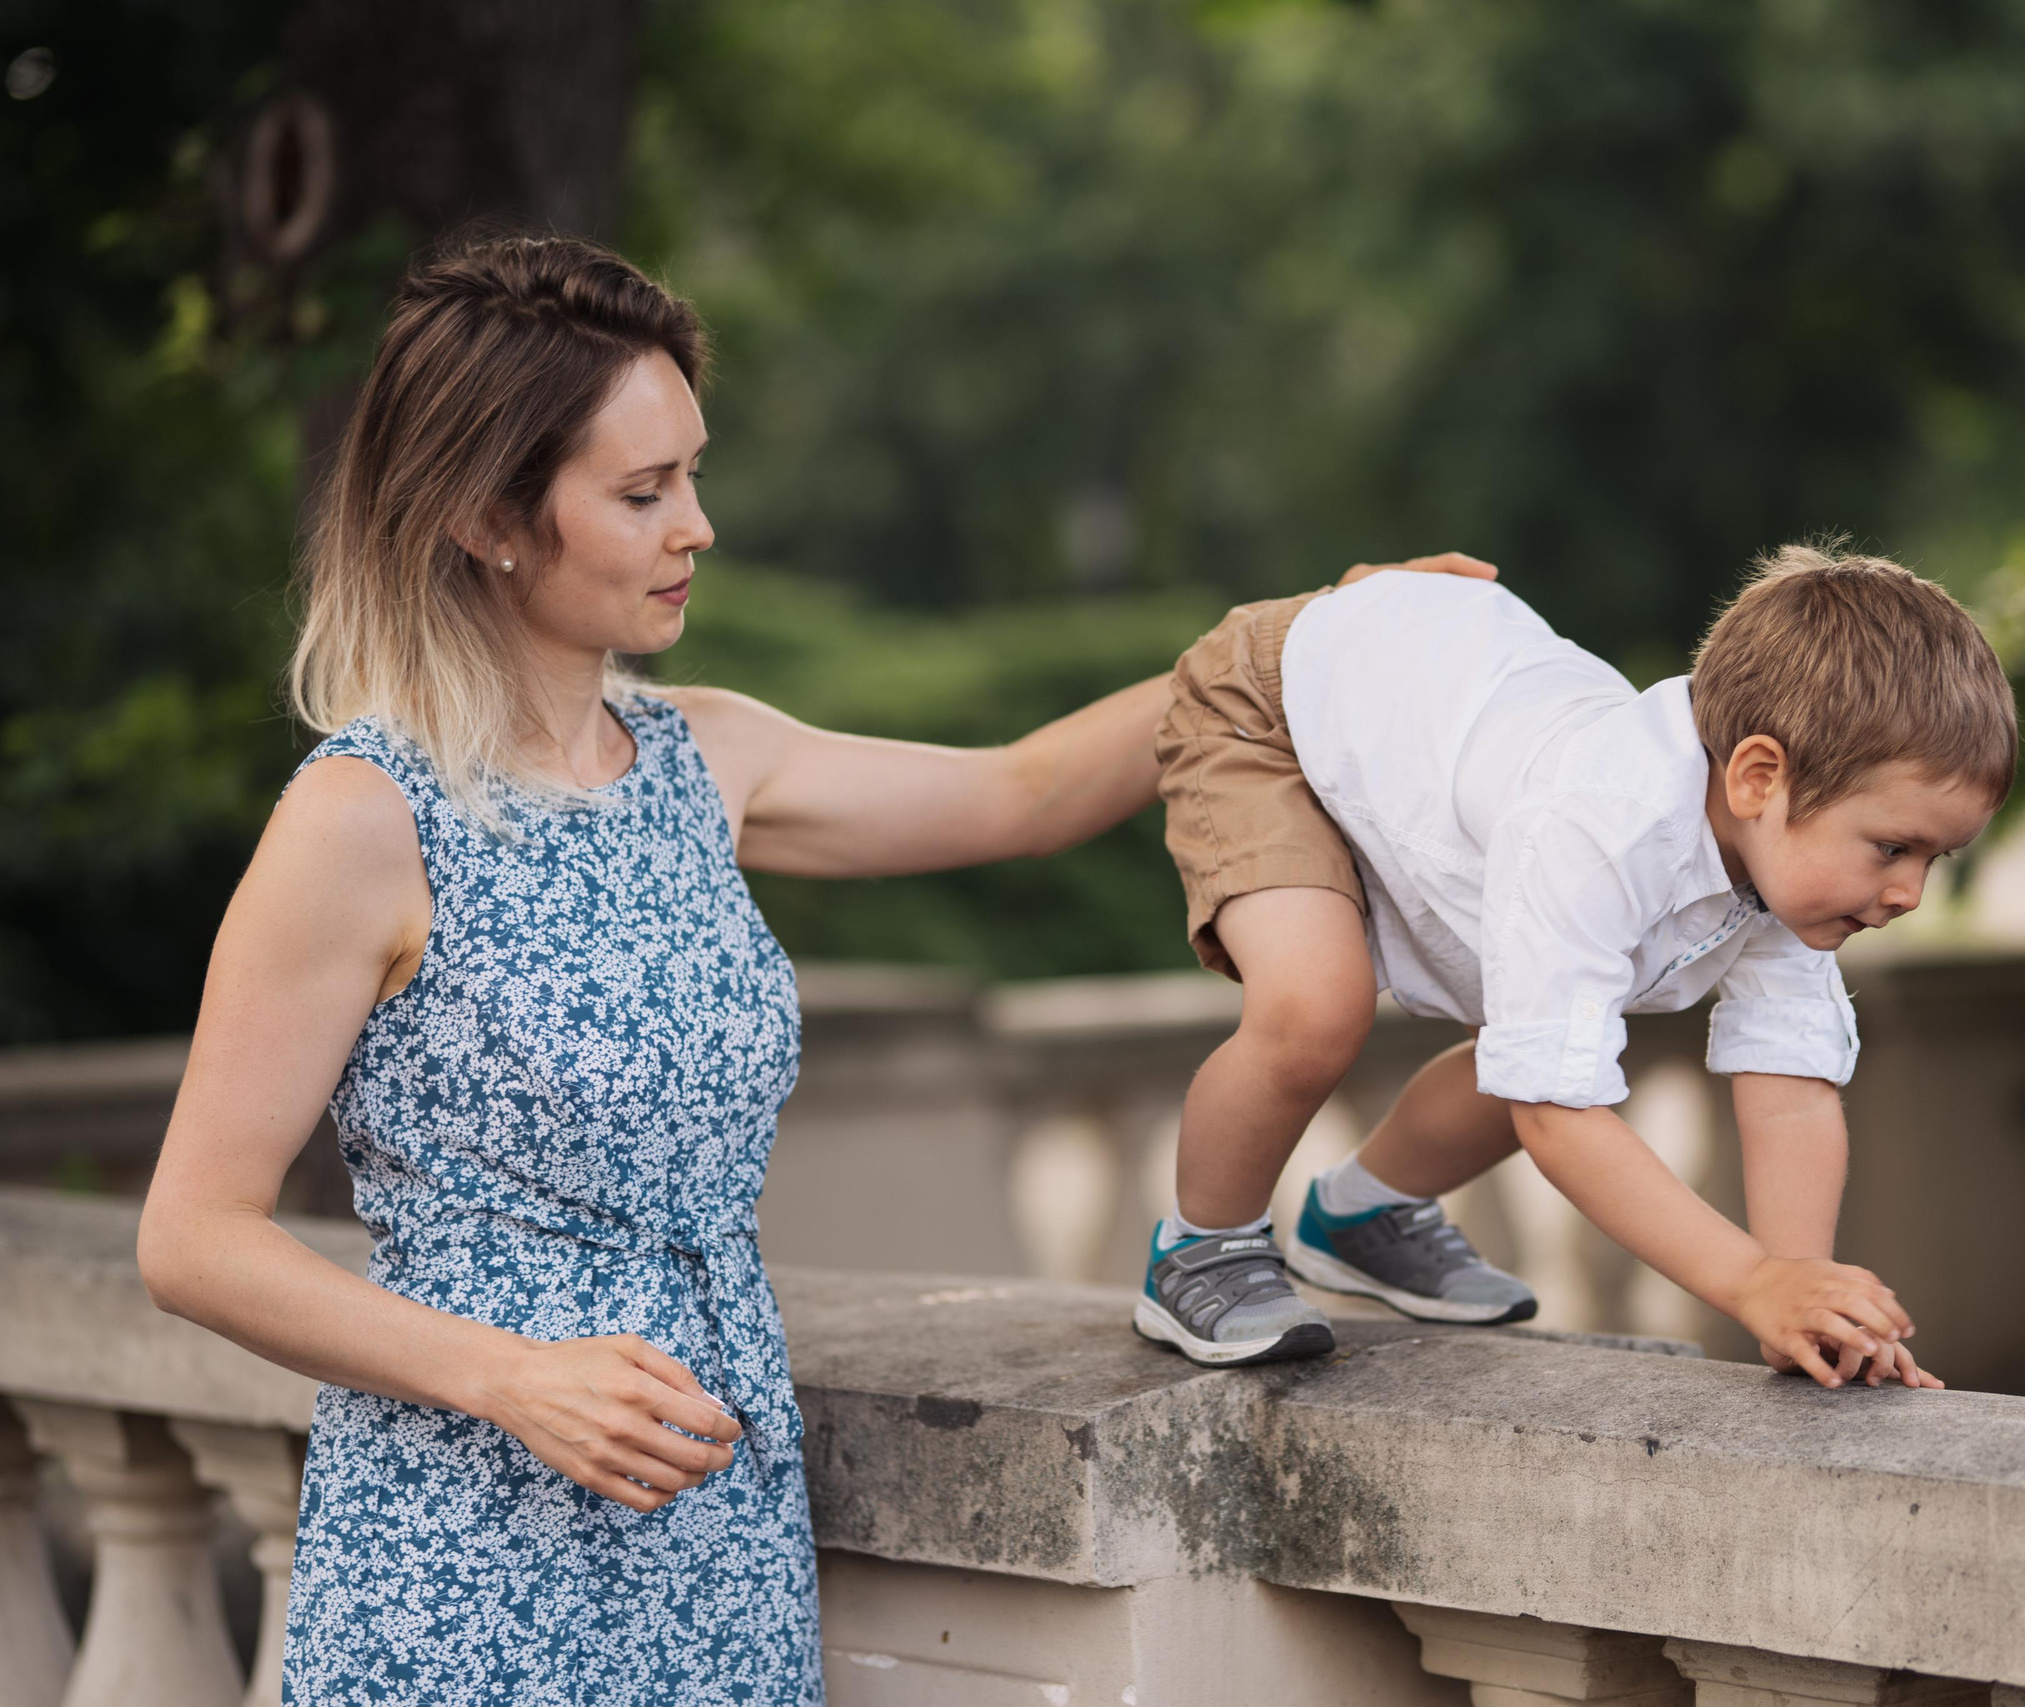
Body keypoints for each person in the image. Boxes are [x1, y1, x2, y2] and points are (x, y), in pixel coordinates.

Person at [133, 230, 1488, 1705]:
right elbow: (194, 1235)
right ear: (489, 517)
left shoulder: (704, 755)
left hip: (719, 1519)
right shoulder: (361, 818)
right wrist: (508, 1373)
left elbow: (1023, 794)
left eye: (693, 475)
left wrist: (1309, 648)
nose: (696, 525)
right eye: (643, 492)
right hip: (462, 1545)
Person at [1138, 546, 2016, 1387]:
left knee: (1562, 1047)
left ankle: (1364, 1214)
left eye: (1933, 859)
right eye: (1894, 846)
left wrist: (1802, 1296)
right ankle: (1201, 1247)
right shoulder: (1602, 824)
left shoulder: (1790, 860)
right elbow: (1554, 1119)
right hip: (1275, 707)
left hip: (1417, 713)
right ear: (1758, 776)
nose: (1907, 892)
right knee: (1317, 1007)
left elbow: (1789, 1086)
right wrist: (1748, 1281)